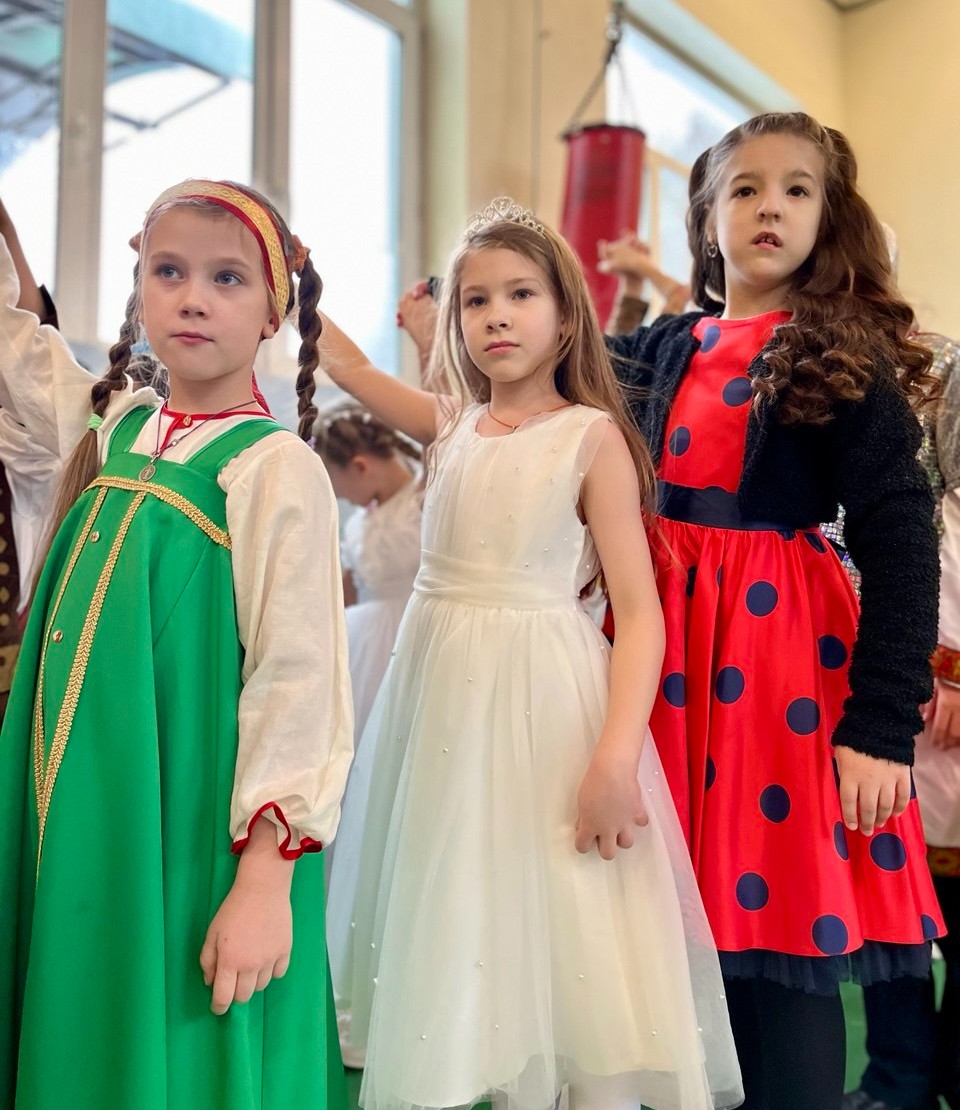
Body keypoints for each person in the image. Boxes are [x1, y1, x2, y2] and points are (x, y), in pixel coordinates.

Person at [316, 196, 743, 1110]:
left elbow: (641, 614)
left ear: (565, 317)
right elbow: (345, 365)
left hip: (547, 710)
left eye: (520, 294)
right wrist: (284, 267)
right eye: (475, 300)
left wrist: (615, 760)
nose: (496, 316)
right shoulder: (451, 424)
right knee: (471, 918)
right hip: (443, 715)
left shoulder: (589, 438)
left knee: (568, 923)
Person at [598, 112, 945, 1109]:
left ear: (826, 217)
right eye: (744, 188)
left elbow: (901, 537)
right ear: (707, 219)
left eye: (797, 190)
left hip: (779, 668)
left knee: (778, 942)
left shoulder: (842, 354)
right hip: (662, 664)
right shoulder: (660, 348)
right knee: (668, 947)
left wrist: (880, 727)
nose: (769, 207)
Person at [0, 179, 354, 1110]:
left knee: (174, 1045)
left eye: (227, 278)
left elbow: (300, 679)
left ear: (273, 311)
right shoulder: (116, 427)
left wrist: (264, 881)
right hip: (86, 814)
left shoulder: (274, 468)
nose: (193, 297)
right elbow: (17, 350)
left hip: (192, 829)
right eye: (169, 271)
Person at [843, 333, 960, 1110]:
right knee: (895, 912)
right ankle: (897, 1078)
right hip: (904, 726)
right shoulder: (918, 506)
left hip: (942, 721)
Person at [311, 401, 424, 1066]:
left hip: (410, 645)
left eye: (342, 484)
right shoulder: (365, 514)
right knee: (355, 791)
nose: (347, 499)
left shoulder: (425, 496)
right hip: (361, 652)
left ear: (360, 465)